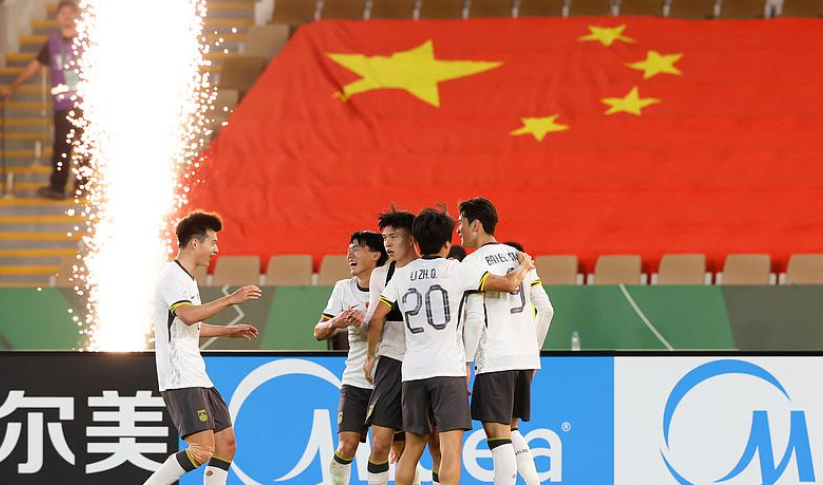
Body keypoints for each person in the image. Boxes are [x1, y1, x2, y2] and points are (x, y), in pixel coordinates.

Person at [365, 205, 533, 485]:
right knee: (449, 451)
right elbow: (508, 284)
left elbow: (375, 318)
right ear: (447, 243)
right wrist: (525, 265)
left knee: (412, 449)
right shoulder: (456, 270)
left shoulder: (402, 275)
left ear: (417, 242)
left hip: (413, 371)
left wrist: (371, 355)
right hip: (448, 371)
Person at [144, 211, 260, 485]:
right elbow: (187, 315)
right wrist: (231, 299)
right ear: (195, 243)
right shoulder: (172, 277)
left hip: (196, 374)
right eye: (213, 242)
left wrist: (228, 331)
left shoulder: (187, 278)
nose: (216, 250)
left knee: (226, 445)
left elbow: (189, 326)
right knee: (201, 450)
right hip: (180, 376)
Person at [458, 198, 553, 485]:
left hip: (496, 358)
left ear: (476, 225)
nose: (458, 230)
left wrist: (466, 361)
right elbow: (546, 309)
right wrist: (533, 352)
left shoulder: (472, 263)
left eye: (461, 223)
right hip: (524, 357)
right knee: (510, 429)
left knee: (496, 435)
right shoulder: (521, 256)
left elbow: (475, 319)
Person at [364, 208, 438, 485]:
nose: (387, 243)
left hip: (427, 363)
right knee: (380, 444)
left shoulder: (433, 270)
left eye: (394, 237)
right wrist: (371, 356)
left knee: (431, 445)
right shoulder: (380, 275)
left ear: (411, 239)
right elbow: (374, 319)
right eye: (385, 238)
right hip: (391, 360)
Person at [313, 231, 389, 484]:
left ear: (376, 255)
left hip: (388, 379)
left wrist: (368, 320)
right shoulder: (343, 288)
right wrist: (337, 321)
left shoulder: (391, 286)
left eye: (356, 249)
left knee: (386, 448)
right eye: (348, 249)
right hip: (355, 380)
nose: (349, 254)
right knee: (347, 446)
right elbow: (318, 332)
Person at [0, 0, 84, 200]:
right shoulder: (53, 42)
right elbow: (35, 65)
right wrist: (13, 86)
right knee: (61, 147)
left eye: (70, 13)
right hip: (62, 105)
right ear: (57, 17)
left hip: (86, 103)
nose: (66, 17)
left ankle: (82, 186)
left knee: (85, 146)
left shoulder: (86, 40)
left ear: (77, 16)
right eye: (62, 13)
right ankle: (57, 187)